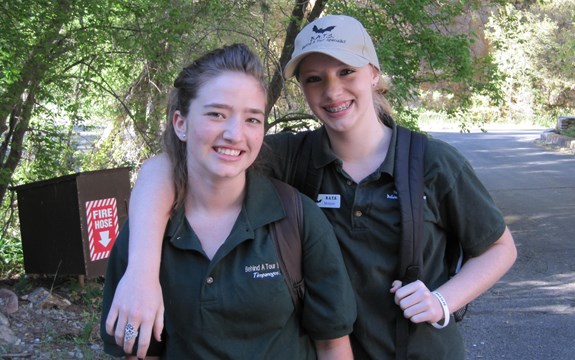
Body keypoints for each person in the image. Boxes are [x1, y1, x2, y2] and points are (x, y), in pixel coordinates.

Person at [107, 15, 517, 359]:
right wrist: (141, 271)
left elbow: (499, 248)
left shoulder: (432, 163)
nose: (332, 90)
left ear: (373, 74)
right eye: (315, 79)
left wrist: (443, 301)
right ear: (303, 89)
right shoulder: (287, 156)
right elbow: (170, 164)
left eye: (346, 72)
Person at [100, 43, 356, 359]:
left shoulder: (297, 219)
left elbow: (332, 345)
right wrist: (140, 280)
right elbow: (139, 352)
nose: (235, 134)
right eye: (217, 114)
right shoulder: (145, 235)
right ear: (181, 124)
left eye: (252, 119)